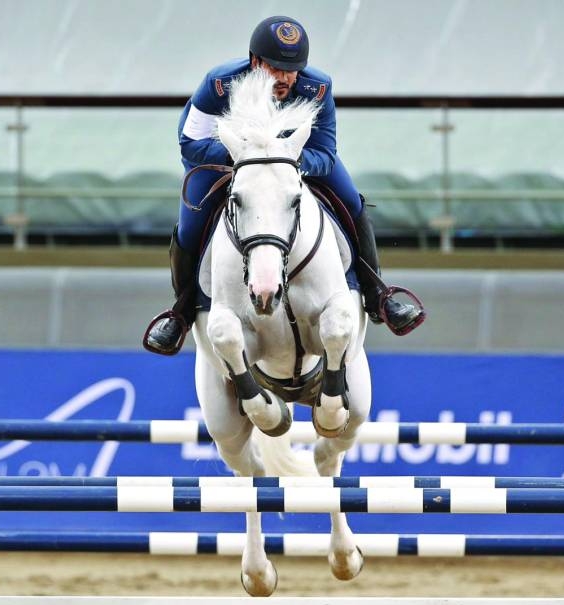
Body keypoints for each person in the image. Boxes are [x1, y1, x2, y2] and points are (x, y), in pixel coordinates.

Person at [144, 15, 424, 355]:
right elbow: (190, 141)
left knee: (351, 201)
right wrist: (249, 153)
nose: (284, 78)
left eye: (291, 70)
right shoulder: (219, 83)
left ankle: (377, 292)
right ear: (255, 61)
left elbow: (325, 151)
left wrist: (288, 161)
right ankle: (182, 312)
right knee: (190, 228)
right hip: (220, 162)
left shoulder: (317, 87)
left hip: (293, 160)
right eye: (275, 67)